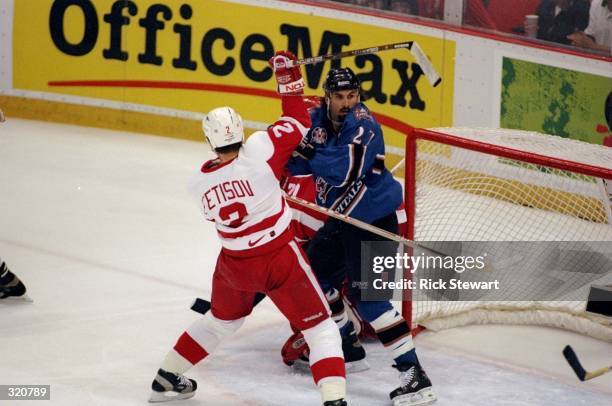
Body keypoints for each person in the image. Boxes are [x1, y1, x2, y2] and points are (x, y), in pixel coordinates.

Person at [148, 51, 348, 406]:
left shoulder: (198, 183)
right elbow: (299, 119)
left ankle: (166, 376)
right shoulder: (259, 150)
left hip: (233, 266)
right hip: (279, 257)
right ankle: (334, 400)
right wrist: (288, 79)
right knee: (321, 330)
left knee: (219, 323)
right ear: (240, 129)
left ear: (209, 139)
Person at [288, 67, 436, 406]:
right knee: (312, 277)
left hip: (375, 219)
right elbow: (293, 162)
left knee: (371, 301)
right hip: (341, 219)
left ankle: (415, 377)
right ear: (327, 97)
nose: (346, 103)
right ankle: (347, 346)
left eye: (351, 96)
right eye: (339, 97)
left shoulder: (365, 124)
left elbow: (344, 171)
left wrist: (309, 153)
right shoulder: (316, 119)